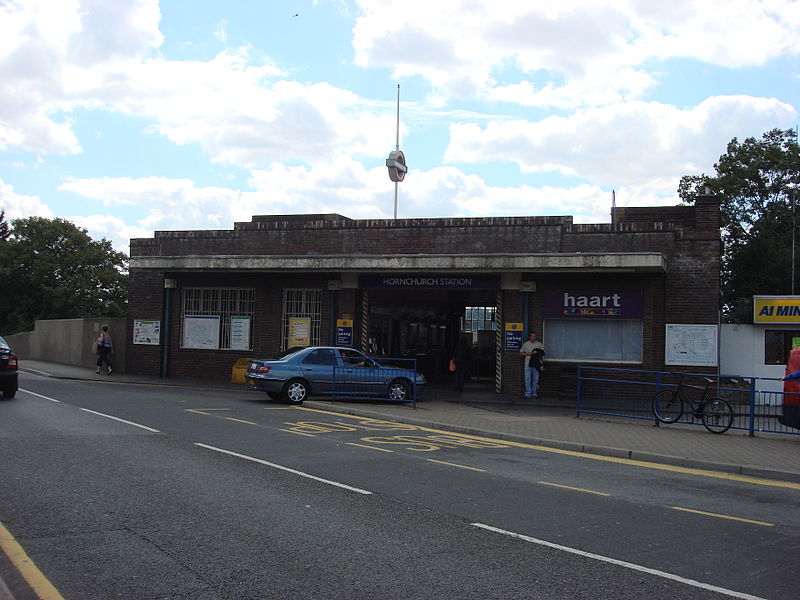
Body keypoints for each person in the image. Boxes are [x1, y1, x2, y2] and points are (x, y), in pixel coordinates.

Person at [519, 331, 545, 399]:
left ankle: (534, 394)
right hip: (527, 364)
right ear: (529, 337)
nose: (534, 337)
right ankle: (528, 394)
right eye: (532, 336)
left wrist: (541, 365)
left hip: (536, 364)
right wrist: (529, 353)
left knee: (535, 380)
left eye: (535, 336)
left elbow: (542, 354)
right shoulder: (526, 344)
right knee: (527, 379)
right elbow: (521, 353)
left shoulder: (539, 344)